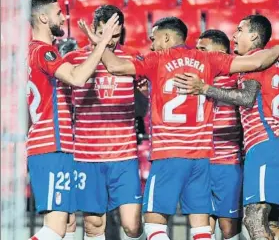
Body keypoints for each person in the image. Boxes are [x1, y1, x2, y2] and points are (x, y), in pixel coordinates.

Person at [82, 16, 279, 240]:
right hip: (201, 157)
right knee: (202, 227)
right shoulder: (208, 58)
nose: (152, 44)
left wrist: (100, 42)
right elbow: (256, 62)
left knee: (154, 222)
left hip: (169, 153)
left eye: (154, 39)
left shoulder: (156, 59)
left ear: (166, 37)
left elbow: (115, 66)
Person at [174, 15, 279, 240]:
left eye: (240, 30)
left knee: (254, 217)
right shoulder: (272, 62)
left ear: (253, 36)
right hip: (271, 142)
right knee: (273, 221)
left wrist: (205, 88)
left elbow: (248, 97)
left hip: (263, 143)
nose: (234, 35)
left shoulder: (252, 60)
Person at [27, 0, 119, 240]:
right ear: (43, 17)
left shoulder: (32, 52)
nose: (63, 17)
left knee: (64, 227)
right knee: (54, 229)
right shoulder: (43, 52)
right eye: (58, 13)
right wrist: (102, 43)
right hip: (51, 146)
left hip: (54, 147)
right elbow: (78, 78)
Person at [64, 5, 145, 240]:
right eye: (104, 34)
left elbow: (141, 110)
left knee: (132, 226)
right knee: (93, 225)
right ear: (93, 29)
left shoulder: (132, 58)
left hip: (124, 157)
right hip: (87, 156)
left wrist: (142, 94)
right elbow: (64, 109)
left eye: (115, 35)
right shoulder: (74, 59)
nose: (109, 41)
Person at [195, 30, 243, 240]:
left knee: (228, 227)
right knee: (202, 226)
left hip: (228, 161)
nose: (197, 54)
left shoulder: (236, 77)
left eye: (202, 49)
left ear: (222, 52)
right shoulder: (193, 77)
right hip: (200, 163)